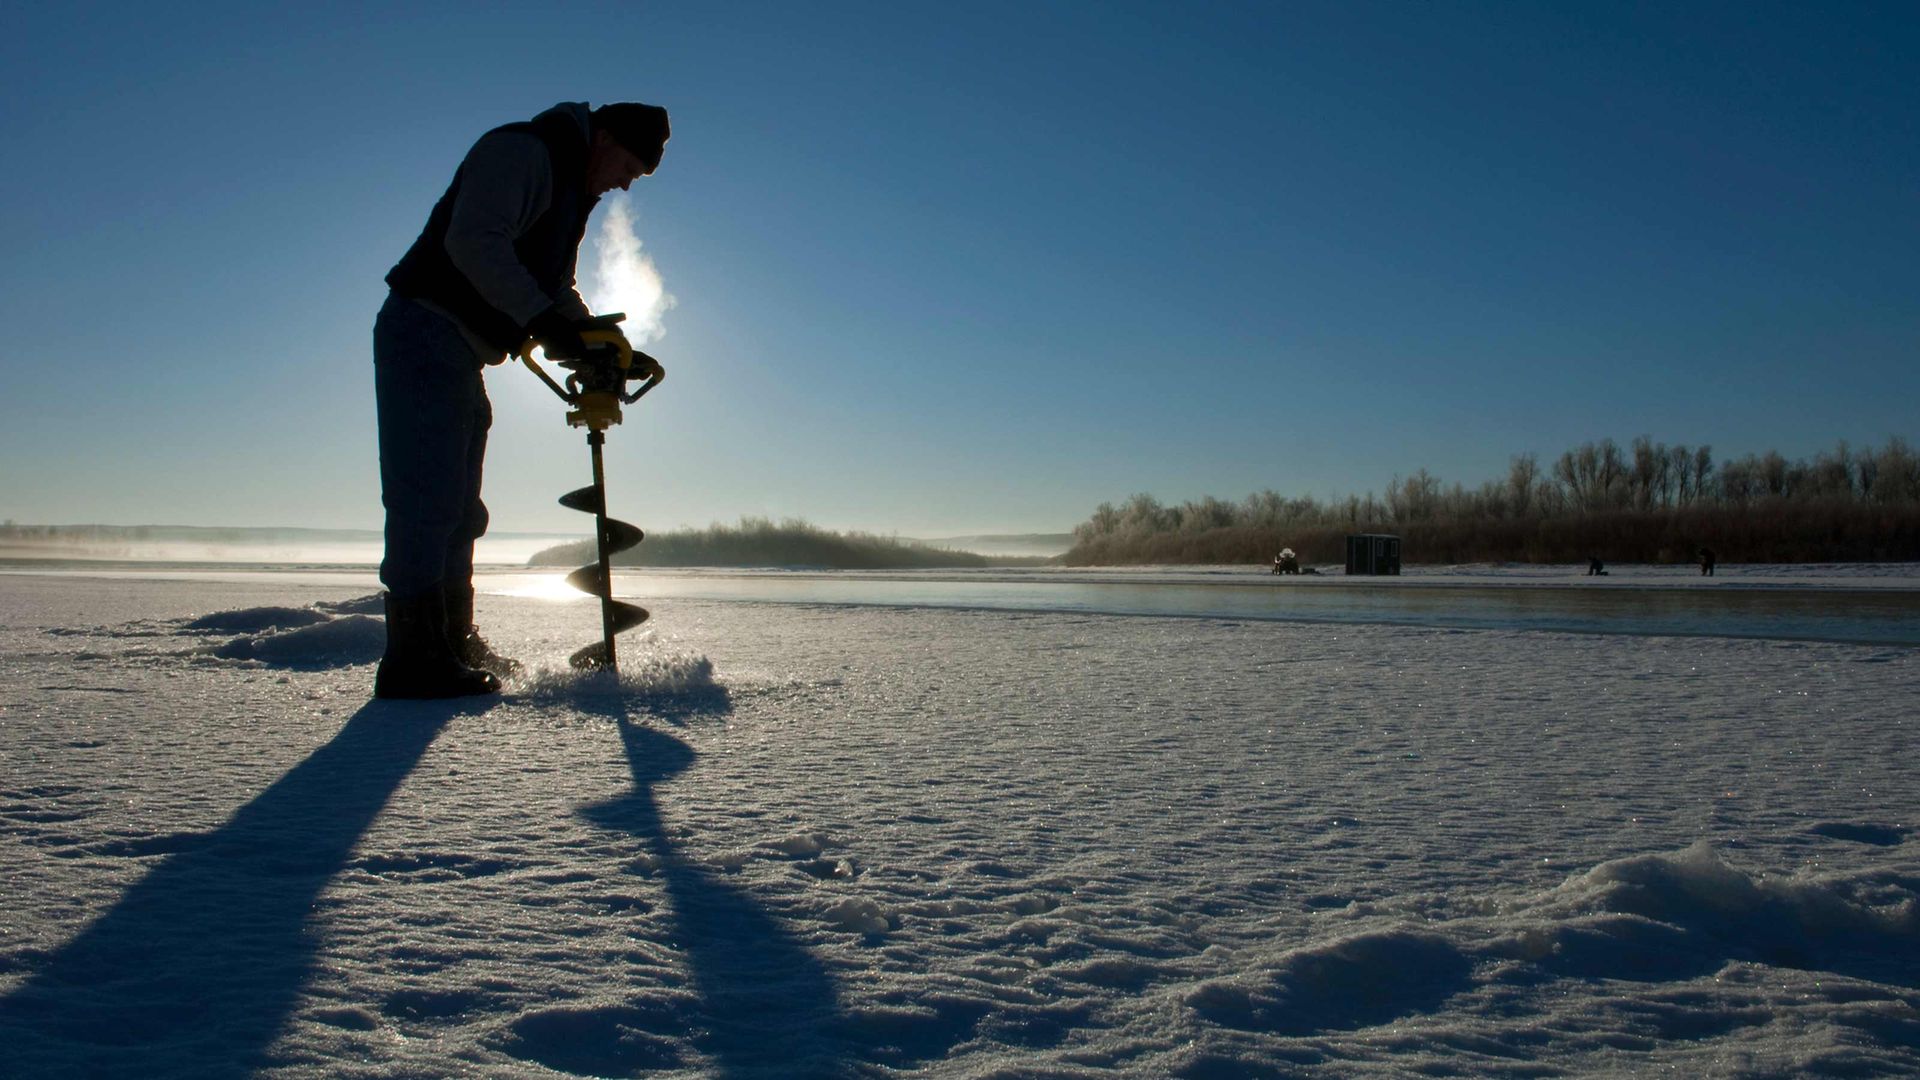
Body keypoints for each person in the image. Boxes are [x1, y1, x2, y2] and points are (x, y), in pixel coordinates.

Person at [372, 101, 671, 699]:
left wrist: (599, 343)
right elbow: (475, 241)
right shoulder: (524, 152)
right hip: (426, 330)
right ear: (605, 137)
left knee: (459, 507)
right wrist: (544, 321)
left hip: (463, 349)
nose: (621, 185)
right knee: (427, 499)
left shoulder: (569, 192)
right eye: (628, 170)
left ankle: (453, 639)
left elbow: (553, 288)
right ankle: (413, 658)